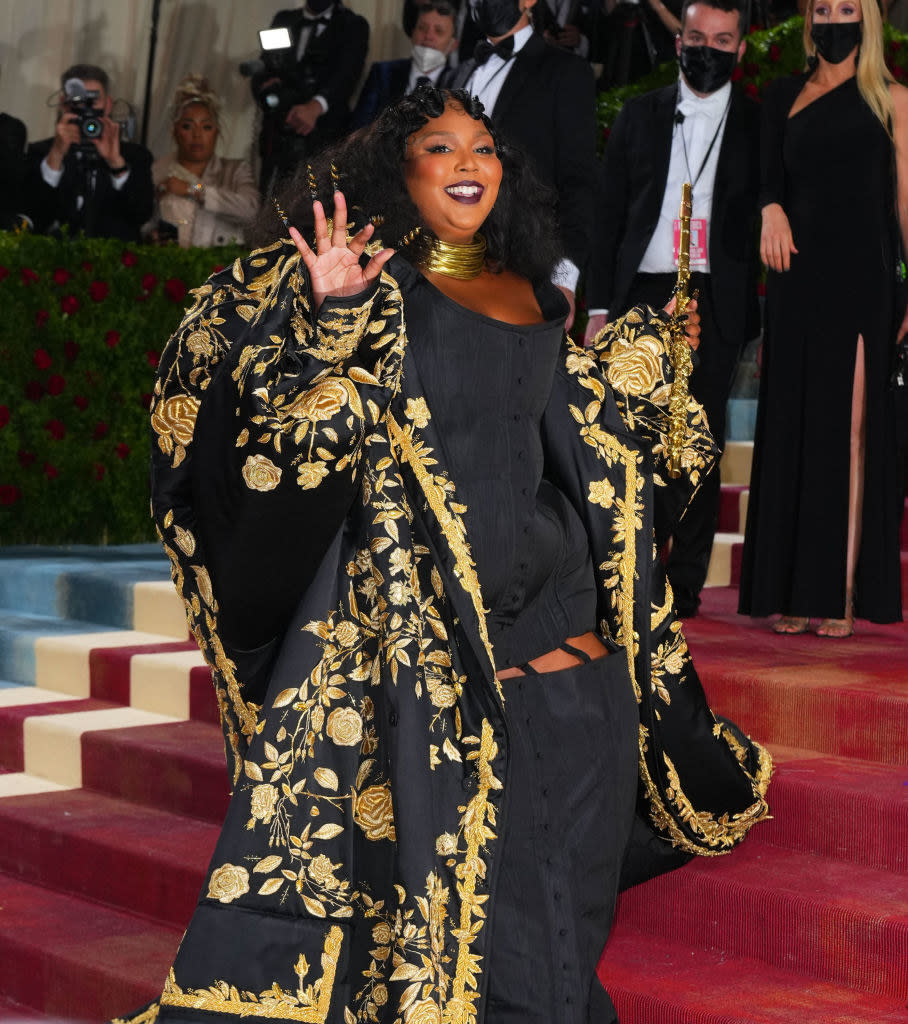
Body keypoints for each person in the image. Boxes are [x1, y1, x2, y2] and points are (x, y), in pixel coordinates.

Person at [142, 86, 770, 1024]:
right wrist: (331, 319)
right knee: (495, 965)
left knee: (569, 944)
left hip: (582, 686)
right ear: (397, 173)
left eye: (484, 146)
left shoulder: (540, 294)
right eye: (441, 146)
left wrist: (649, 380)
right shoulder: (373, 290)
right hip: (448, 680)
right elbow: (274, 449)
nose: (471, 160)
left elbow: (591, 452)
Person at [586, 0, 760, 618]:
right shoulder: (639, 115)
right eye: (694, 36)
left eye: (720, 39)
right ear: (678, 39)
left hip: (715, 297)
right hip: (642, 289)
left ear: (740, 47)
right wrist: (599, 307)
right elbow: (606, 219)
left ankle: (683, 584)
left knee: (700, 438)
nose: (705, 49)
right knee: (628, 436)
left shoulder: (758, 124)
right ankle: (623, 573)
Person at [739, 0, 907, 637]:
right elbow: (765, 184)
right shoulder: (782, 95)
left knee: (851, 432)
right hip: (796, 279)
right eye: (822, 7)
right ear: (809, 20)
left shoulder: (894, 99)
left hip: (865, 281)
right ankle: (794, 589)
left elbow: (905, 202)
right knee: (794, 426)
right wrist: (771, 207)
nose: (833, 17)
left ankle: (836, 591)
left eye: (846, 7)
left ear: (866, 19)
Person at [449, 0, 597, 329]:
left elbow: (579, 182)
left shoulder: (565, 72)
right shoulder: (459, 72)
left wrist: (565, 279)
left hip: (523, 268)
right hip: (448, 266)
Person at [23, 64, 154, 242]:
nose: (87, 109)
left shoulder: (135, 155)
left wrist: (116, 164)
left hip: (117, 262)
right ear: (63, 104)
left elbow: (142, 214)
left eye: (94, 101)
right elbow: (32, 215)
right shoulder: (39, 152)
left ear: (108, 105)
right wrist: (56, 155)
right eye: (78, 101)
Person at [251, 0, 369, 194]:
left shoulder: (352, 25)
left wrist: (315, 107)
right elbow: (266, 66)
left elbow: (347, 75)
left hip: (322, 140)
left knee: (313, 205)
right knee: (270, 203)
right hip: (278, 137)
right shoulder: (284, 19)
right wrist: (267, 90)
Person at [150, 75, 259, 248]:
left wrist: (192, 189)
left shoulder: (234, 171)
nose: (197, 135)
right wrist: (152, 235)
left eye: (206, 127)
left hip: (219, 270)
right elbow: (143, 221)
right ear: (175, 131)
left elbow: (250, 211)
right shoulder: (158, 170)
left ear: (216, 132)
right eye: (188, 126)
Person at [351, 1, 460, 129]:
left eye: (439, 31)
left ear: (453, 45)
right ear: (413, 33)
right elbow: (358, 127)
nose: (429, 36)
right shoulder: (382, 72)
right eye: (422, 28)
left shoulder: (458, 83)